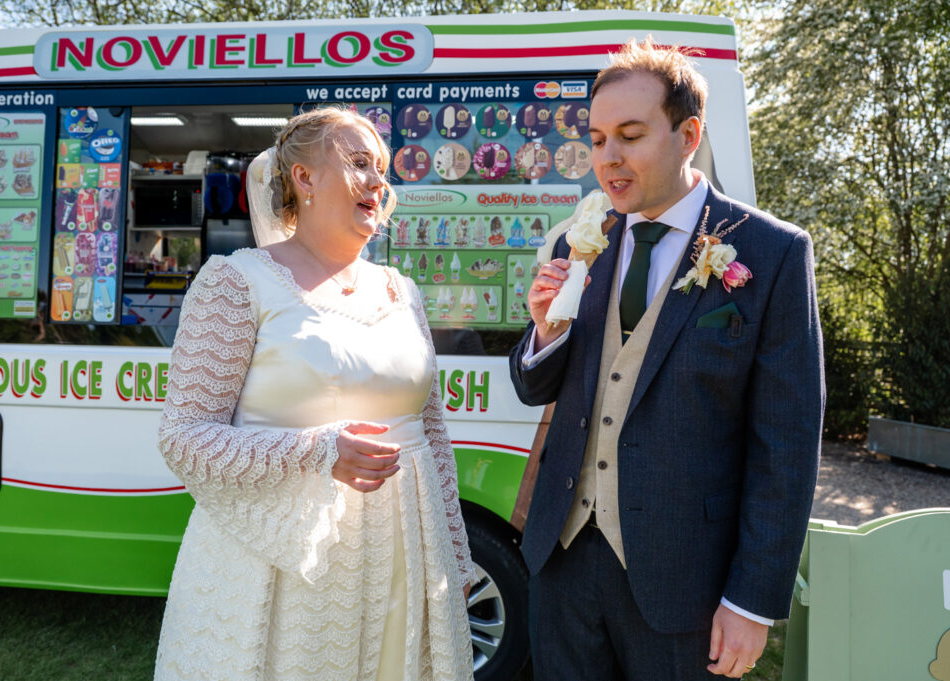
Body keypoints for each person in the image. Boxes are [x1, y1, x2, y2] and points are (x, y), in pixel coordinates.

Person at [509, 39, 824, 680]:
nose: (609, 159)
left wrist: (751, 602)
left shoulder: (772, 252)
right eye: (597, 139)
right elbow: (534, 385)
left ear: (688, 134)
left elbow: (786, 446)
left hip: (689, 579)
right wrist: (544, 335)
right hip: (563, 562)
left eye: (630, 135)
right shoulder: (580, 238)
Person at [154, 107, 474, 681]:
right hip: (282, 568)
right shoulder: (236, 282)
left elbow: (431, 433)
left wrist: (454, 552)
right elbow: (184, 437)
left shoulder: (404, 291)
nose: (378, 182)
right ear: (303, 177)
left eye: (380, 168)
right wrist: (317, 451)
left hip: (406, 551)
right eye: (358, 164)